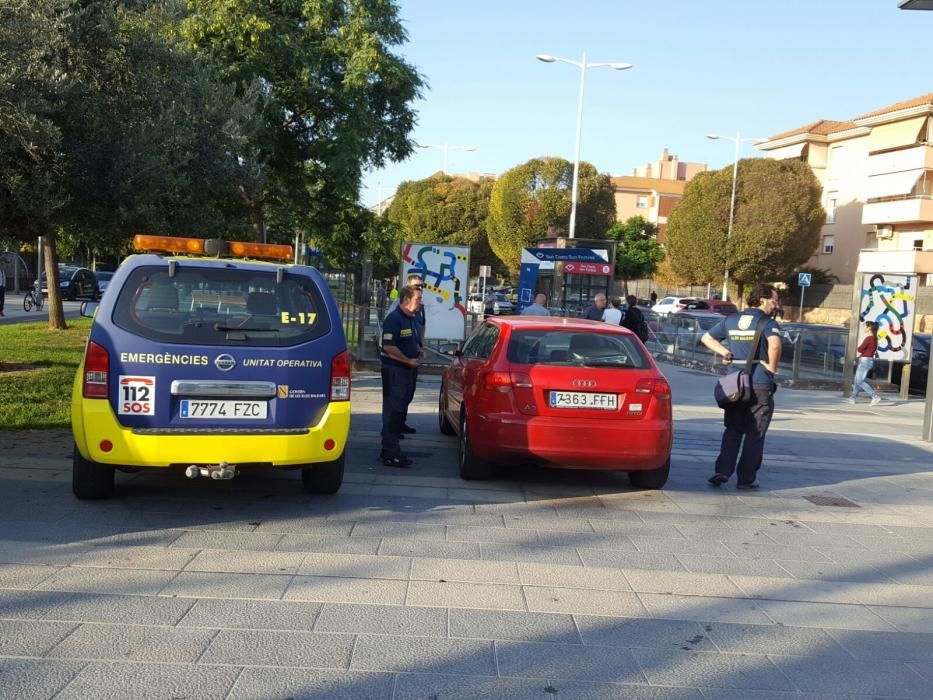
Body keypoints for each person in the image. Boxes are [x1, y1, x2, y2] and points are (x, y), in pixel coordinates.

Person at [700, 284, 782, 490]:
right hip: (760, 382)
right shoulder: (767, 322)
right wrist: (771, 368)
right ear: (762, 300)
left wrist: (725, 353)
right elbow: (775, 345)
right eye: (774, 300)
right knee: (755, 433)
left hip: (735, 382)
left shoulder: (731, 319)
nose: (776, 304)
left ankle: (722, 470)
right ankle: (746, 479)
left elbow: (707, 338)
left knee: (733, 429)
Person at [380, 285, 422, 467]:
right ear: (406, 300)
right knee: (393, 410)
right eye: (417, 300)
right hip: (395, 371)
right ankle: (390, 452)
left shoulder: (411, 318)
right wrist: (407, 361)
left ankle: (392, 446)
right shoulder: (394, 319)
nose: (420, 304)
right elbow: (389, 347)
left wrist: (419, 352)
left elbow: (411, 341)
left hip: (408, 370)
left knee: (402, 406)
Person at [849, 321, 883, 406]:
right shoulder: (874, 339)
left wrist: (862, 349)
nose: (865, 328)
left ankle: (875, 396)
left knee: (860, 381)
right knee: (857, 381)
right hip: (866, 360)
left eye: (866, 327)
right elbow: (867, 350)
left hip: (865, 361)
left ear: (869, 328)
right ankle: (853, 398)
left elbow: (860, 349)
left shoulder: (869, 338)